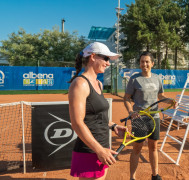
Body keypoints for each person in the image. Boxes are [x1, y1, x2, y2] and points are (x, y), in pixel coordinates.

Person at [68, 42, 126, 179]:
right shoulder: (80, 83)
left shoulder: (98, 83)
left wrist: (113, 126)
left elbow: (96, 116)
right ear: (93, 56)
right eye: (106, 59)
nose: (108, 63)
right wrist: (99, 150)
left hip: (102, 147)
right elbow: (77, 123)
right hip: (90, 151)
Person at [124, 51, 166, 180]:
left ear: (152, 63)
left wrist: (169, 101)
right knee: (137, 148)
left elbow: (161, 96)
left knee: (153, 147)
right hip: (139, 118)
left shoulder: (157, 78)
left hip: (154, 118)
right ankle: (132, 177)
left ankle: (155, 175)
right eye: (142, 62)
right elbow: (126, 98)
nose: (144, 64)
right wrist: (131, 112)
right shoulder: (134, 79)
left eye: (147, 61)